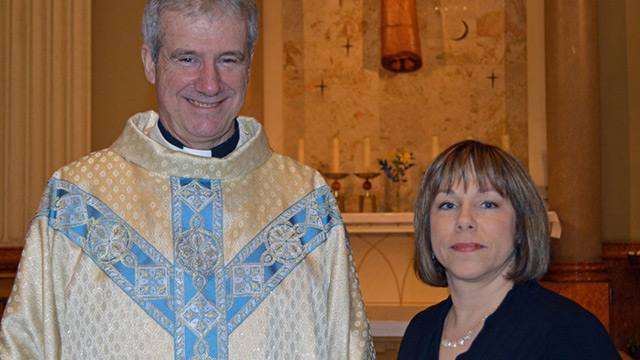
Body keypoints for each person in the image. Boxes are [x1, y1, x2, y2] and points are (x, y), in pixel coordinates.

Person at [0, 1, 375, 359]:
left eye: (228, 60)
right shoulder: (76, 202)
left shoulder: (304, 204)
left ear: (249, 65)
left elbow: (347, 346)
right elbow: (24, 346)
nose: (209, 84)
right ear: (150, 62)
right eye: (187, 59)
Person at [397, 140, 621, 360]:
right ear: (427, 227)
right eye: (448, 205)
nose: (464, 220)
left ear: (521, 225)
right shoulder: (420, 331)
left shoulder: (567, 331)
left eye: (487, 204)